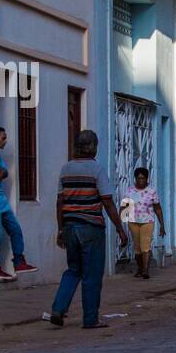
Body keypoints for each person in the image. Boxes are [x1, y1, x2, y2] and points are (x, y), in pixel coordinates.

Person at [50, 130, 128, 329]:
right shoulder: (97, 170)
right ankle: (90, 318)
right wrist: (120, 228)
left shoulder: (65, 169)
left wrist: (61, 229)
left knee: (73, 270)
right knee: (92, 275)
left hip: (70, 226)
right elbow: (107, 201)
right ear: (94, 147)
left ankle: (58, 308)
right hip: (91, 227)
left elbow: (60, 202)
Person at [0, 125, 38, 281]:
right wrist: (0, 174)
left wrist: (1, 173)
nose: (5, 141)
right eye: (3, 138)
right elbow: (2, 174)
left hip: (2, 202)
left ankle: (19, 262)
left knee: (15, 230)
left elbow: (5, 172)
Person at [119, 166, 165, 279]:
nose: (141, 180)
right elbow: (124, 208)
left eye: (143, 178)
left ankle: (145, 270)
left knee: (145, 246)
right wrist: (120, 225)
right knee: (137, 248)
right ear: (135, 179)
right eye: (138, 178)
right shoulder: (130, 191)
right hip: (133, 222)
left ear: (146, 179)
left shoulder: (151, 191)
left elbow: (158, 209)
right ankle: (140, 268)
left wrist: (162, 225)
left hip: (147, 221)